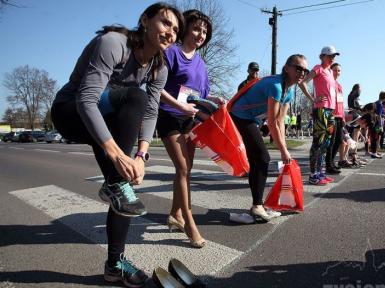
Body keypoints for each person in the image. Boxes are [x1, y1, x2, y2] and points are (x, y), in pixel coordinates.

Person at [50, 3, 183, 287]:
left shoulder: (160, 67)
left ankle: (115, 265)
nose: (170, 32)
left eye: (175, 29)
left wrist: (141, 155)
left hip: (105, 118)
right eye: (165, 23)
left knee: (124, 188)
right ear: (145, 21)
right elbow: (86, 99)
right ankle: (115, 183)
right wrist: (116, 153)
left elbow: (152, 112)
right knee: (135, 96)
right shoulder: (113, 43)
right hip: (70, 112)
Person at [156, 9, 223, 249]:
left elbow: (200, 95)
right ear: (184, 29)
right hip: (169, 117)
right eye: (196, 28)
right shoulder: (170, 53)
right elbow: (156, 88)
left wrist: (216, 100)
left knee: (186, 170)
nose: (200, 34)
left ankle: (175, 213)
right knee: (183, 168)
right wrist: (179, 107)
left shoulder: (201, 63)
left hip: (191, 120)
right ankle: (189, 222)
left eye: (204, 31)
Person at [230, 54, 308, 221]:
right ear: (287, 68)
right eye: (298, 68)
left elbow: (281, 123)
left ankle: (257, 205)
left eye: (305, 70)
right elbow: (272, 123)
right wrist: (283, 151)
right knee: (263, 158)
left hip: (251, 118)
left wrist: (285, 149)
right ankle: (257, 205)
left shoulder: (290, 91)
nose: (302, 72)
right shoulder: (276, 86)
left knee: (257, 160)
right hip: (239, 115)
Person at [299, 46, 340, 185]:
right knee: (318, 142)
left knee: (326, 143)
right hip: (321, 110)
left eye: (334, 56)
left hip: (330, 111)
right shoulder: (318, 68)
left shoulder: (329, 71)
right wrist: (312, 99)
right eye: (329, 55)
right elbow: (302, 82)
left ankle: (320, 173)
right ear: (322, 56)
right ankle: (312, 175)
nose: (332, 58)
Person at [325, 63, 345, 171]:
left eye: (339, 70)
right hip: (331, 116)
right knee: (331, 141)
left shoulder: (339, 85)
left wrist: (343, 118)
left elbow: (341, 103)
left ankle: (332, 162)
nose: (337, 72)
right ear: (330, 70)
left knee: (339, 140)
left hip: (339, 117)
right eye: (335, 70)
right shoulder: (328, 83)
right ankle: (329, 165)